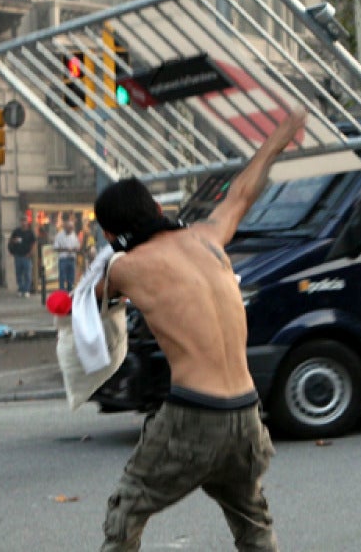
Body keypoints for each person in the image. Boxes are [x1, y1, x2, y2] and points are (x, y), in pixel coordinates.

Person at [94, 109, 306, 551]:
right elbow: (244, 192)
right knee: (252, 521)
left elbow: (88, 303)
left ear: (114, 234)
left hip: (194, 416)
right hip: (247, 415)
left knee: (127, 509)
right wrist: (280, 137)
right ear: (156, 209)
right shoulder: (209, 237)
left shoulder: (126, 267)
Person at [8, 219, 37, 298]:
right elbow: (10, 241)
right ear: (21, 223)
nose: (24, 223)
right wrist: (15, 240)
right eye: (22, 221)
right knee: (19, 273)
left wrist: (30, 253)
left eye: (25, 221)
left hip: (26, 256)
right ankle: (21, 289)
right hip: (18, 255)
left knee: (27, 273)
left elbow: (34, 243)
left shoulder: (30, 232)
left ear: (27, 223)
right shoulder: (16, 231)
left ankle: (27, 290)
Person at [53, 218, 80, 292]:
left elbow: (78, 247)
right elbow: (55, 247)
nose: (71, 230)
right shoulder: (59, 235)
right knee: (62, 276)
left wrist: (74, 249)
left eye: (72, 228)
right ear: (66, 228)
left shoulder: (73, 235)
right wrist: (66, 249)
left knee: (71, 277)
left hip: (72, 258)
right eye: (70, 228)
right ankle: (62, 291)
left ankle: (70, 291)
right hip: (63, 259)